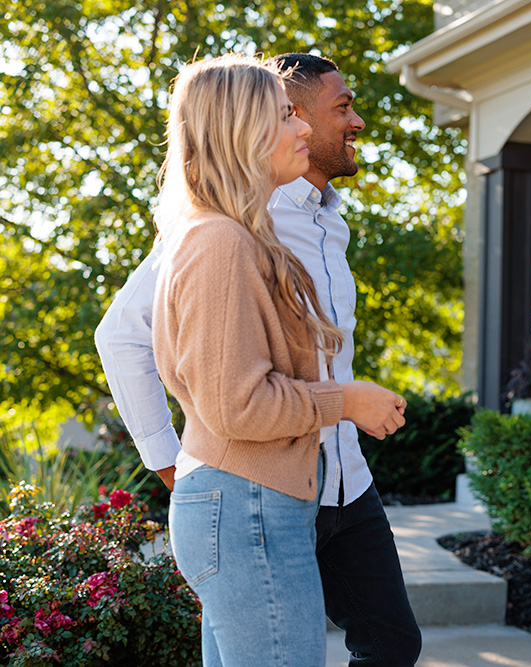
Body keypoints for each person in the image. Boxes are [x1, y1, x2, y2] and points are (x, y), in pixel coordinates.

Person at [95, 53, 421, 665]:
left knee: (390, 642)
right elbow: (232, 400)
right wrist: (347, 402)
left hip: (296, 487)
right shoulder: (221, 240)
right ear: (245, 130)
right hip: (248, 494)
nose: (301, 127)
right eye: (284, 116)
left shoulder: (248, 232)